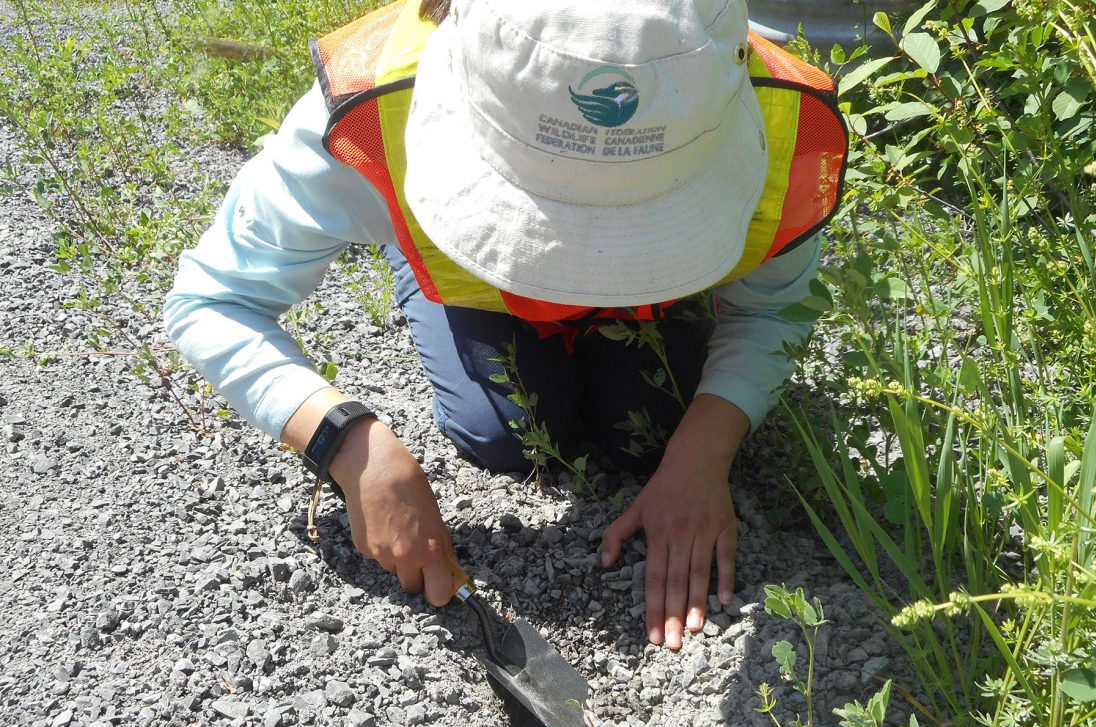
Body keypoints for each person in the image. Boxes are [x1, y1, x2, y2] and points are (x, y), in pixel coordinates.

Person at [164, 0, 846, 651]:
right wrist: (347, 443)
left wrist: (704, 452)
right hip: (483, 295)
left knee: (653, 428)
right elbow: (211, 296)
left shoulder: (781, 121)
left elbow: (772, 307)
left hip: (659, 310)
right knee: (506, 432)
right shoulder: (374, 105)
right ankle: (426, 261)